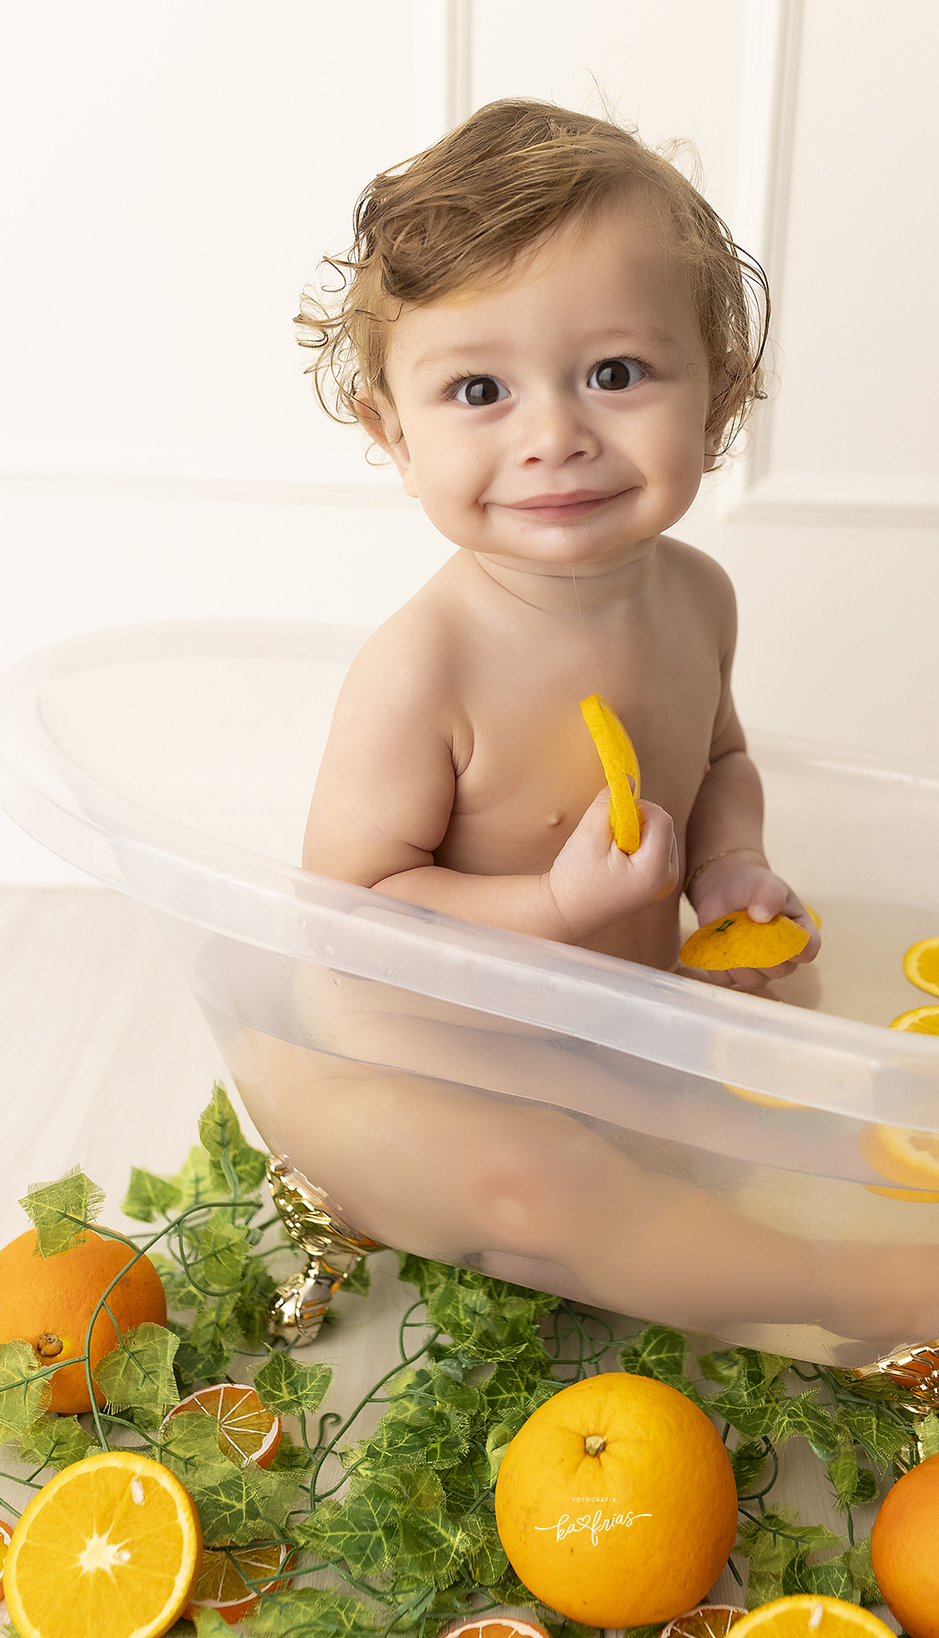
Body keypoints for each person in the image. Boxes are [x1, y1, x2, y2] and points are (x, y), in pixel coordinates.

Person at [298, 99, 819, 990]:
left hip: (631, 1025)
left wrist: (726, 865)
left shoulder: (700, 597)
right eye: (478, 389)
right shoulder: (425, 665)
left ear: (719, 399)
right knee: (557, 1142)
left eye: (613, 374)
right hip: (441, 1045)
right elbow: (345, 915)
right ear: (395, 441)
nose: (554, 436)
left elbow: (720, 761)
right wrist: (556, 906)